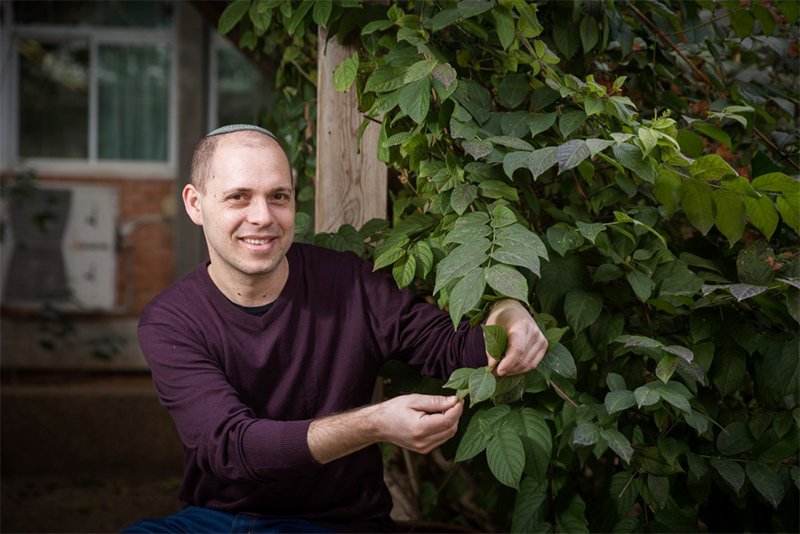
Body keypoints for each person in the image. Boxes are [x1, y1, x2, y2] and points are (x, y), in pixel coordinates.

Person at [125, 124, 548, 533]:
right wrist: (375, 424)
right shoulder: (171, 319)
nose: (262, 216)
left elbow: (455, 349)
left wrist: (508, 312)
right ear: (195, 204)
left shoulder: (351, 284)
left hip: (337, 524)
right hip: (215, 521)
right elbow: (233, 448)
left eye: (279, 197)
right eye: (238, 197)